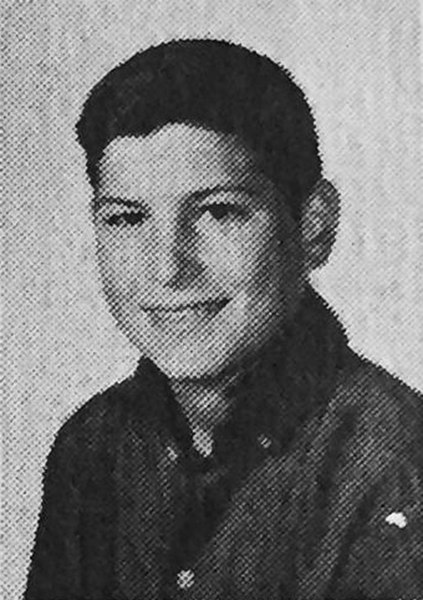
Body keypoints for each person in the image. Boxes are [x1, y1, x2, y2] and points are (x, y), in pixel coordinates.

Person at [25, 39, 423, 600]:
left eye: (218, 212)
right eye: (127, 219)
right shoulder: (92, 449)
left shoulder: (393, 460)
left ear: (314, 225)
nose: (167, 268)